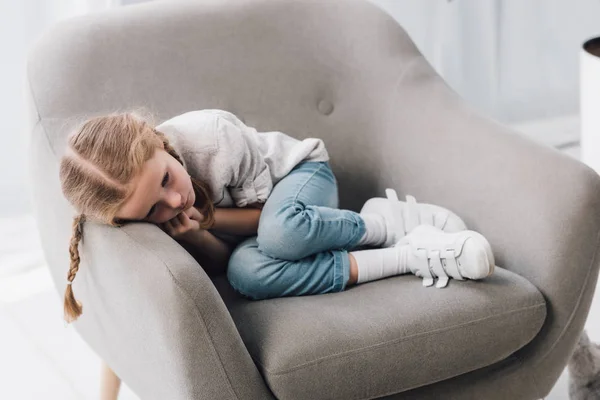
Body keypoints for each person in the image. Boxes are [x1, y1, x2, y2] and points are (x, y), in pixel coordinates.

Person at [59, 108, 495, 325]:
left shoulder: (213, 139)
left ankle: (382, 223)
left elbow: (272, 223)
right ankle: (408, 255)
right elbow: (226, 263)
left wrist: (210, 222)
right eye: (153, 211)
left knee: (282, 232)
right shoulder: (151, 213)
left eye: (167, 179)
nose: (173, 202)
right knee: (246, 273)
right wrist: (195, 236)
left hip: (304, 180)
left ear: (154, 140)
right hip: (265, 234)